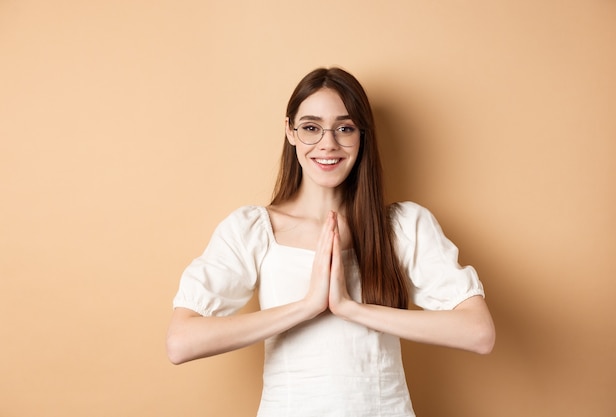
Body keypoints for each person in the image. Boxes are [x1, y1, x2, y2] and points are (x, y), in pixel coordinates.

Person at [166, 67, 495, 416]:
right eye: (311, 128)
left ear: (362, 136)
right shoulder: (254, 229)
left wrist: (350, 308)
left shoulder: (402, 227)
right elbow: (181, 342)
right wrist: (307, 306)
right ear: (290, 132)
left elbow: (478, 333)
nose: (328, 143)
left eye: (345, 128)